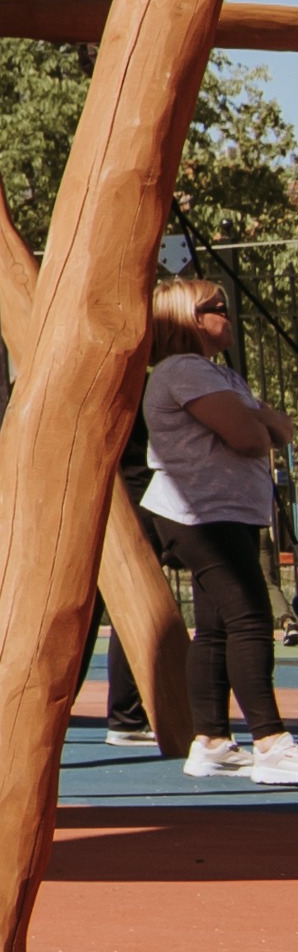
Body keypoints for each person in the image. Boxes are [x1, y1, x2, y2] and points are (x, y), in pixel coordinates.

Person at [134, 275, 290, 779]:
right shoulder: (184, 370)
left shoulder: (218, 375)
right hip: (200, 513)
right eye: (216, 306)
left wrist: (261, 423)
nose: (228, 313)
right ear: (187, 319)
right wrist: (258, 422)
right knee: (250, 617)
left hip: (228, 511)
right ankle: (269, 743)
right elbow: (251, 436)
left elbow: (283, 428)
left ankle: (212, 741)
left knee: (218, 627)